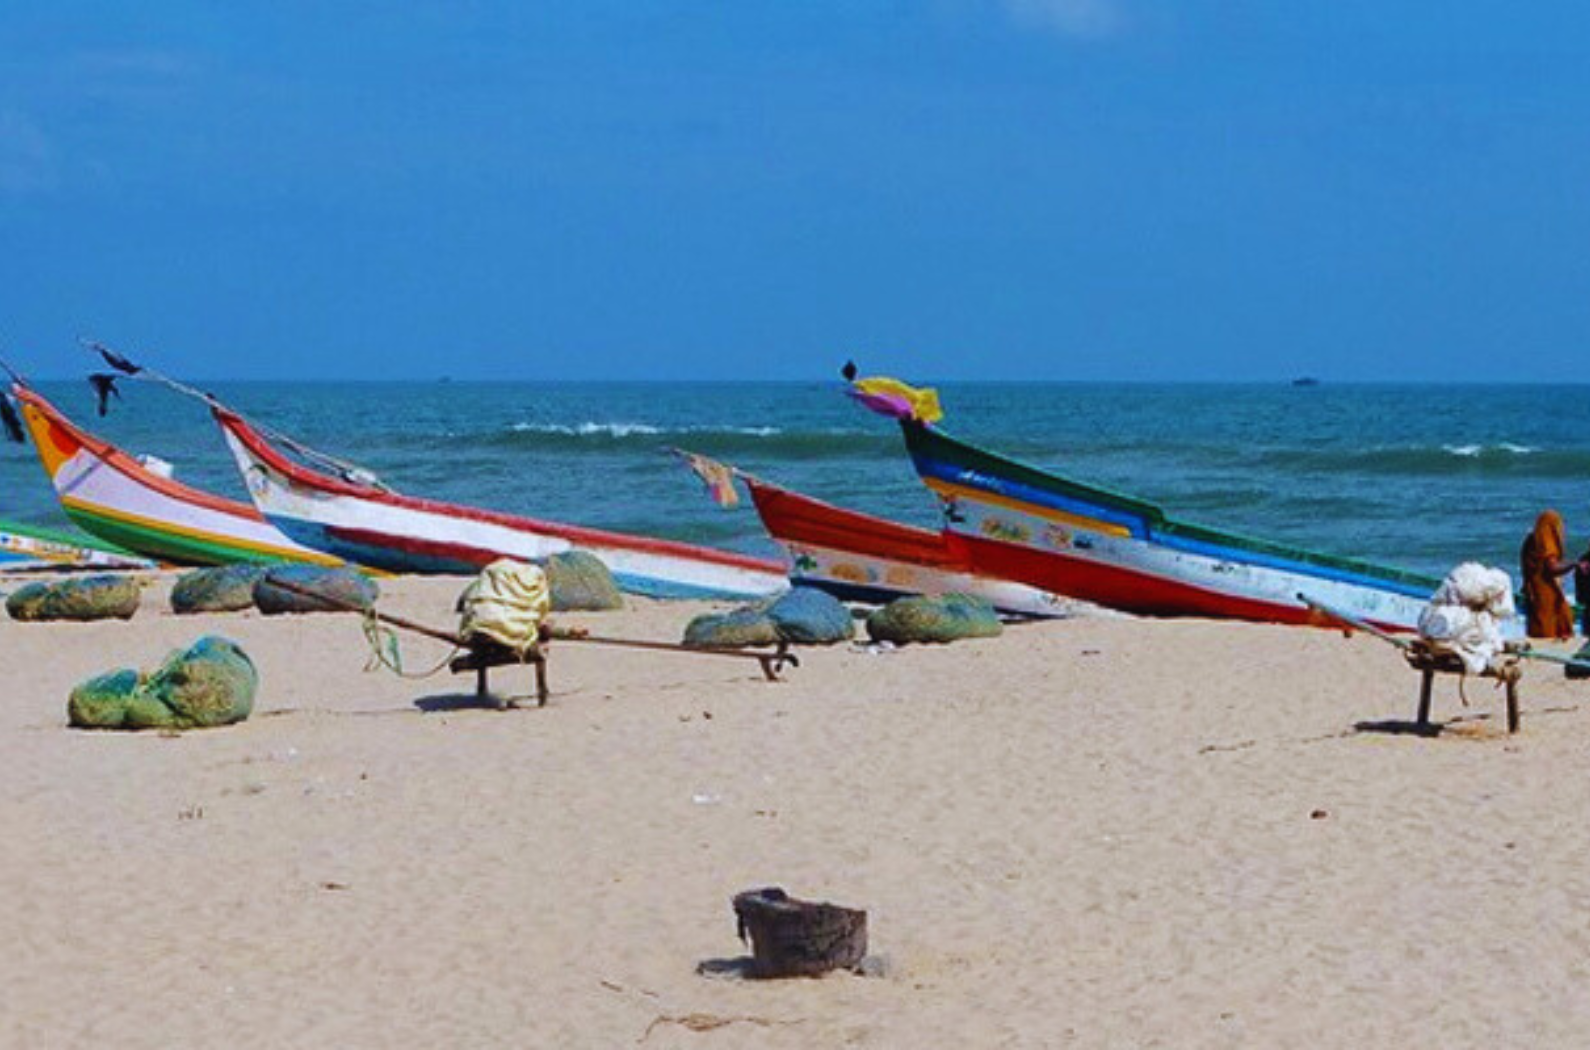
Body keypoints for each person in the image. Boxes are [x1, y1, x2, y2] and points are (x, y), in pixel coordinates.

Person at [1520, 510, 1581, 639]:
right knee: (1549, 629)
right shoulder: (1546, 543)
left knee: (1537, 627)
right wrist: (1574, 564)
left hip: (1534, 595)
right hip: (1546, 596)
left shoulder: (1531, 541)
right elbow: (1552, 567)